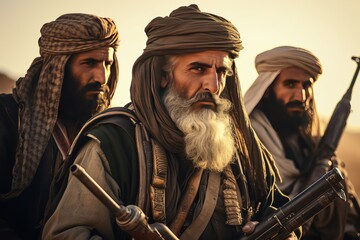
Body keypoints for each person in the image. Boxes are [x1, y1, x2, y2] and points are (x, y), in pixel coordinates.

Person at [42, 5, 299, 240]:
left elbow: (281, 213)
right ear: (164, 76)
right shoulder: (115, 142)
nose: (213, 85)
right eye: (198, 69)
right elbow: (66, 235)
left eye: (220, 71)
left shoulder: (241, 148)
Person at [0, 13, 120, 240]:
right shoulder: (7, 118)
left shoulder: (104, 133)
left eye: (108, 64)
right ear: (58, 68)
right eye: (89, 63)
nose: (102, 77)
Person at [244, 46, 360, 240]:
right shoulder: (246, 141)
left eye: (306, 85)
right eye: (290, 84)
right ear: (266, 89)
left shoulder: (311, 145)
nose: (301, 96)